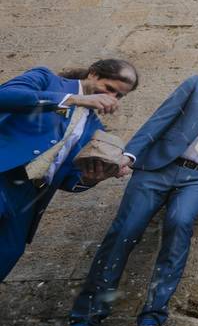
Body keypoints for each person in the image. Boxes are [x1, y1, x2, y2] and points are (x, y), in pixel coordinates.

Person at [48, 52, 198, 326]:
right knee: (123, 233)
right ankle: (84, 321)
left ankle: (151, 321)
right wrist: (129, 155)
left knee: (179, 228)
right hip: (157, 169)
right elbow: (161, 118)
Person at [1, 59, 138, 281]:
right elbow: (5, 96)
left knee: (8, 253)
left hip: (30, 197)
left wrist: (92, 178)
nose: (111, 98)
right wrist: (73, 99)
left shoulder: (95, 128)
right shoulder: (47, 79)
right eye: (110, 89)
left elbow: (68, 179)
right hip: (4, 172)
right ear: (93, 74)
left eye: (119, 96)